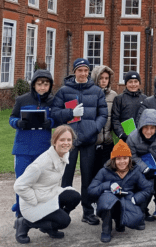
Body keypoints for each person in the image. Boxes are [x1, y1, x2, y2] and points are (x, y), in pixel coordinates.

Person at [51, 58, 108, 225]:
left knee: (88, 177)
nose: (83, 74)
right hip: (69, 141)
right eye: (80, 70)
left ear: (88, 72)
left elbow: (103, 114)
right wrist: (70, 113)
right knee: (66, 177)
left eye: (85, 71)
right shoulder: (64, 91)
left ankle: (88, 211)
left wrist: (94, 128)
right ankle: (63, 211)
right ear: (74, 71)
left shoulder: (97, 91)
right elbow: (55, 113)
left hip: (89, 139)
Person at [14, 125, 81, 244]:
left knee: (74, 197)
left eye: (69, 140)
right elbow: (19, 186)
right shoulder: (41, 163)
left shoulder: (64, 155)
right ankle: (25, 222)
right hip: (33, 203)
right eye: (62, 140)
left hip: (50, 194)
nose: (66, 143)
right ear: (54, 141)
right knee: (64, 221)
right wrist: (34, 200)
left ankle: (50, 226)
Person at [9, 69, 55, 218]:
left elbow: (57, 119)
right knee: (22, 183)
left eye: (46, 84)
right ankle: (21, 216)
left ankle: (41, 213)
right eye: (40, 84)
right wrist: (18, 123)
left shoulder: (52, 102)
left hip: (43, 148)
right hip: (23, 149)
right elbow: (12, 118)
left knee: (42, 184)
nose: (43, 87)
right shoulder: (22, 100)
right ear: (34, 84)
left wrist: (51, 122)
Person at [87, 140, 152, 242]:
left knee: (137, 218)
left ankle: (121, 221)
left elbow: (147, 188)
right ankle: (106, 229)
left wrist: (135, 199)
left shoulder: (135, 171)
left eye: (125, 158)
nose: (122, 162)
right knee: (108, 200)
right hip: (109, 201)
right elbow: (91, 190)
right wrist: (107, 185)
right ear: (113, 160)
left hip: (127, 200)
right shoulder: (104, 171)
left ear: (129, 159)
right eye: (118, 159)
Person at [126, 108, 156, 222]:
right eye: (146, 127)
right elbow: (131, 156)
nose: (148, 131)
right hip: (139, 167)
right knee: (147, 185)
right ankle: (141, 211)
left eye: (152, 128)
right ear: (141, 126)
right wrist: (145, 169)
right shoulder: (132, 137)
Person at [92, 65, 118, 176]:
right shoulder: (91, 94)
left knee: (107, 174)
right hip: (93, 142)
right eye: (101, 78)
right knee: (92, 174)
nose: (104, 81)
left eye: (106, 78)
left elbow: (115, 117)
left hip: (108, 142)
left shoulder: (114, 95)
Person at [111, 71, 147, 142]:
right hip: (124, 138)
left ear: (139, 83)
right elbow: (115, 119)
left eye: (136, 81)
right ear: (126, 84)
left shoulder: (145, 99)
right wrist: (121, 134)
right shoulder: (119, 99)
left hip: (141, 138)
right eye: (130, 82)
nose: (133, 84)